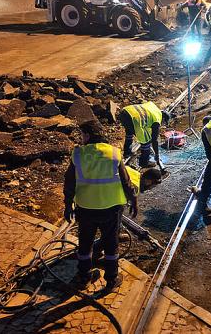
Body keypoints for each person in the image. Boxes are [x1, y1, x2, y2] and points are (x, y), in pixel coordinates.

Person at [64, 120, 138, 289]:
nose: (81, 138)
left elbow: (69, 183)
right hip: (111, 209)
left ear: (88, 136)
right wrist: (133, 200)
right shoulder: (113, 153)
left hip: (86, 209)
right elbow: (126, 182)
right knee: (111, 244)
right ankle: (111, 280)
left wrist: (68, 205)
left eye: (82, 135)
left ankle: (84, 277)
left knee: (85, 243)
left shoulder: (77, 154)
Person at [119, 102, 170, 170]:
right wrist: (157, 154)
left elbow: (147, 121)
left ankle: (127, 152)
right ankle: (144, 162)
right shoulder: (157, 119)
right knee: (146, 141)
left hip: (125, 112)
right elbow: (154, 140)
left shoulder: (154, 108)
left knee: (129, 133)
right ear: (163, 119)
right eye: (164, 122)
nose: (162, 124)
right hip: (134, 119)